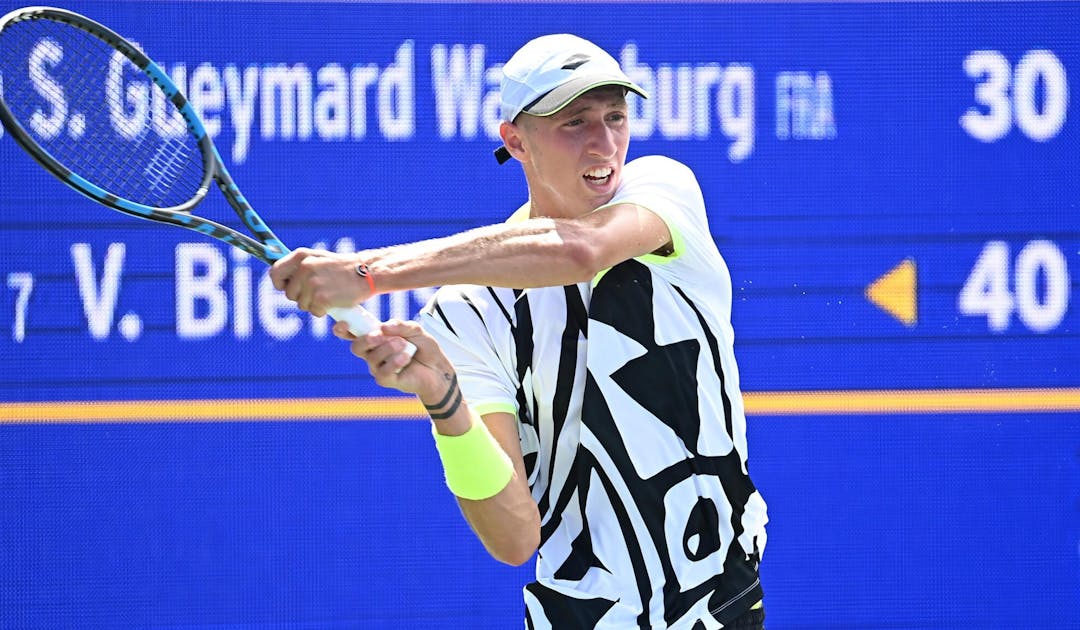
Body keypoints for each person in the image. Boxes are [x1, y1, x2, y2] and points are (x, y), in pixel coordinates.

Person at [269, 33, 768, 629]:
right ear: (516, 140)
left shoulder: (663, 189)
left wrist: (367, 273)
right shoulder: (468, 312)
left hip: (719, 607)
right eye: (574, 122)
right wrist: (443, 400)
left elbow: (581, 251)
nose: (604, 141)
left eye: (615, 116)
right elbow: (514, 539)